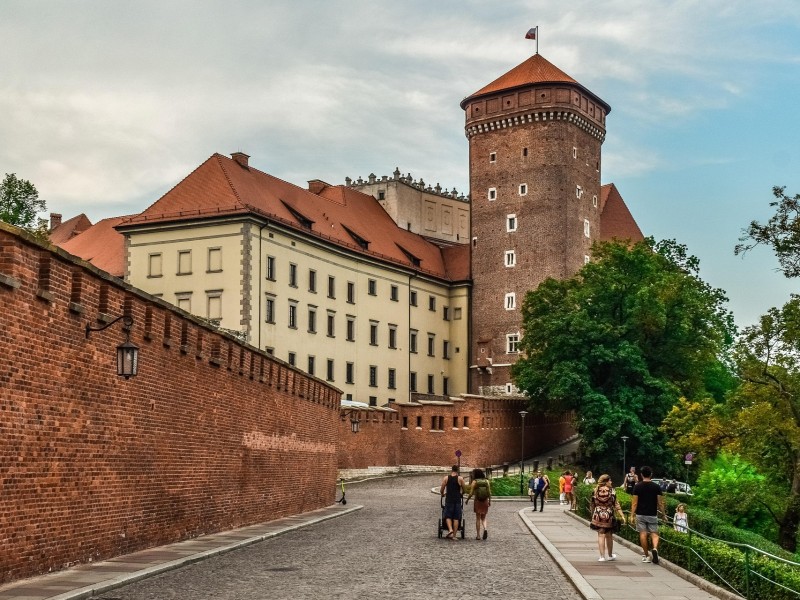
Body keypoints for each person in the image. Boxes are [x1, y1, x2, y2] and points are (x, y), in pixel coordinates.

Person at [630, 465, 665, 564]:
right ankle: (654, 548)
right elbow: (660, 503)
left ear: (641, 475)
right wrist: (663, 514)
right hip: (652, 514)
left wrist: (632, 515)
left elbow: (634, 503)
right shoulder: (656, 487)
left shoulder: (637, 487)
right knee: (654, 533)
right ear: (651, 474)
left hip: (640, 514)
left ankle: (646, 555)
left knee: (643, 534)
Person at [589, 474, 625, 562]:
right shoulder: (612, 491)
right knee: (609, 535)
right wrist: (622, 515)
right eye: (610, 481)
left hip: (597, 514)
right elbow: (616, 504)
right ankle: (610, 555)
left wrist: (592, 513)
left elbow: (592, 504)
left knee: (601, 535)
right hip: (608, 514)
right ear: (606, 482)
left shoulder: (595, 490)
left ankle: (602, 556)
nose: (611, 482)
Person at [440, 465, 465, 540]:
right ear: (457, 470)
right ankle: (454, 536)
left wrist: (443, 494)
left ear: (452, 470)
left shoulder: (446, 478)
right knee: (456, 517)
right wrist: (461, 494)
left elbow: (442, 489)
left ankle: (450, 529)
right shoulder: (460, 479)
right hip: (457, 500)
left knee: (448, 516)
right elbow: (464, 489)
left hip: (449, 500)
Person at [465, 468, 491, 539]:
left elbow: (471, 493)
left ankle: (478, 535)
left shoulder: (475, 482)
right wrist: (490, 501)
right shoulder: (486, 481)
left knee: (478, 518)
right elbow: (489, 492)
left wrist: (467, 500)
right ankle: (485, 529)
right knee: (484, 518)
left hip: (478, 500)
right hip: (485, 500)